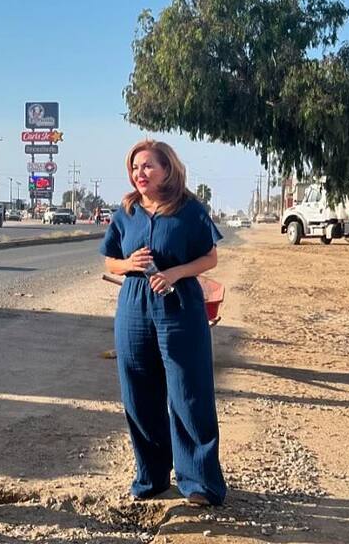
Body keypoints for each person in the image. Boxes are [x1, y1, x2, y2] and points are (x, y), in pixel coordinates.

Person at [101, 139, 226, 507]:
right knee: (139, 393)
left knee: (189, 392)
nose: (140, 173)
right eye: (135, 167)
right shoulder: (125, 211)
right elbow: (110, 262)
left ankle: (200, 482)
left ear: (167, 169)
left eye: (148, 166)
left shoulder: (189, 210)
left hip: (180, 304)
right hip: (134, 305)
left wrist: (174, 273)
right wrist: (129, 265)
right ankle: (151, 477)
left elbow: (210, 257)